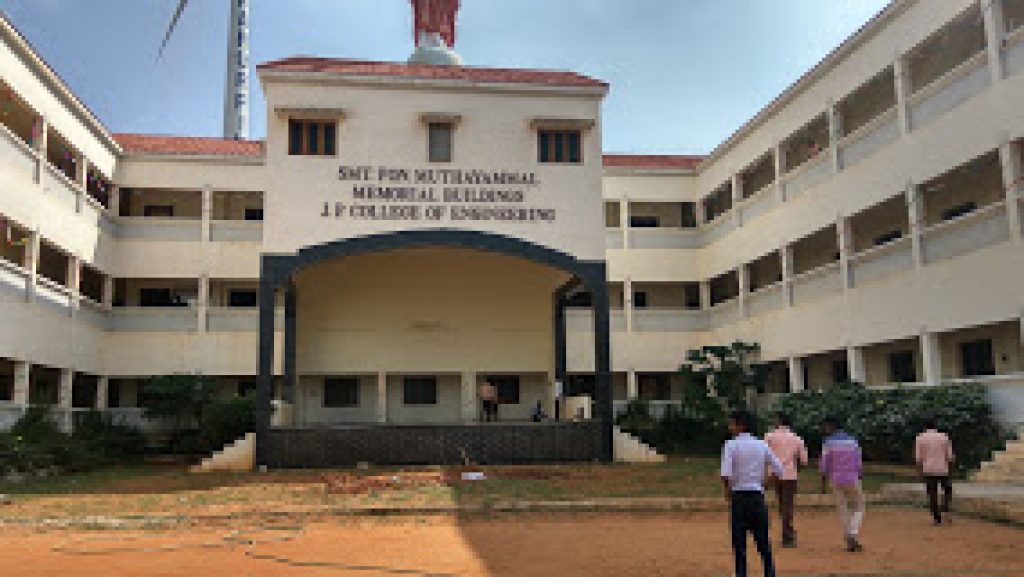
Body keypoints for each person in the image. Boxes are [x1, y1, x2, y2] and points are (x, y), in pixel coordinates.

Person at [721, 410, 784, 577]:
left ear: (741, 426)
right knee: (763, 542)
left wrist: (727, 491)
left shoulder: (731, 445)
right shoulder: (761, 445)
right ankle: (769, 573)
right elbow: (779, 469)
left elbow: (725, 474)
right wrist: (766, 484)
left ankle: (741, 573)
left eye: (732, 423)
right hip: (757, 496)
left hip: (739, 497)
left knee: (739, 543)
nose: (730, 427)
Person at [820, 416, 865, 552]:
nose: (825, 429)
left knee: (842, 508)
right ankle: (853, 532)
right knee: (859, 507)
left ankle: (848, 535)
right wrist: (859, 475)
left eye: (827, 426)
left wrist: (823, 482)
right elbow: (858, 461)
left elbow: (824, 464)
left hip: (835, 479)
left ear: (833, 427)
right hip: (852, 478)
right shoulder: (853, 442)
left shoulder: (828, 443)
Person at [764, 412, 808, 547]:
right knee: (787, 505)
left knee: (780, 502)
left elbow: (763, 454)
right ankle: (787, 533)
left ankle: (783, 530)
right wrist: (796, 468)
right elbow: (804, 460)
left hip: (774, 474)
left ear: (779, 421)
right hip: (790, 475)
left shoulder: (769, 437)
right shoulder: (797, 439)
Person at [915, 417, 955, 525]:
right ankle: (945, 508)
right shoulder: (944, 437)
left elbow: (919, 458)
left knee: (932, 493)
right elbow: (950, 457)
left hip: (928, 469)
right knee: (947, 490)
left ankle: (937, 517)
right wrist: (951, 471)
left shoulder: (920, 438)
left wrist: (919, 473)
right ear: (935, 426)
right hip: (943, 469)